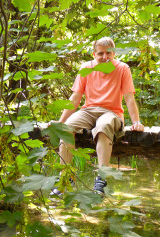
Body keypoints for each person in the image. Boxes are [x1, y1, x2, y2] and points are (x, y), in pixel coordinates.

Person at [52, 36, 144, 196]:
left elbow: (129, 97)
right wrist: (60, 122)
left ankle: (101, 178)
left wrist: (136, 121)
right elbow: (75, 98)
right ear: (93, 54)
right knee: (66, 128)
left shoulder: (123, 69)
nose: (105, 57)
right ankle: (65, 176)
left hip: (112, 113)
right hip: (88, 110)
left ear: (114, 53)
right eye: (101, 53)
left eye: (109, 53)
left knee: (103, 127)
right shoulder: (86, 68)